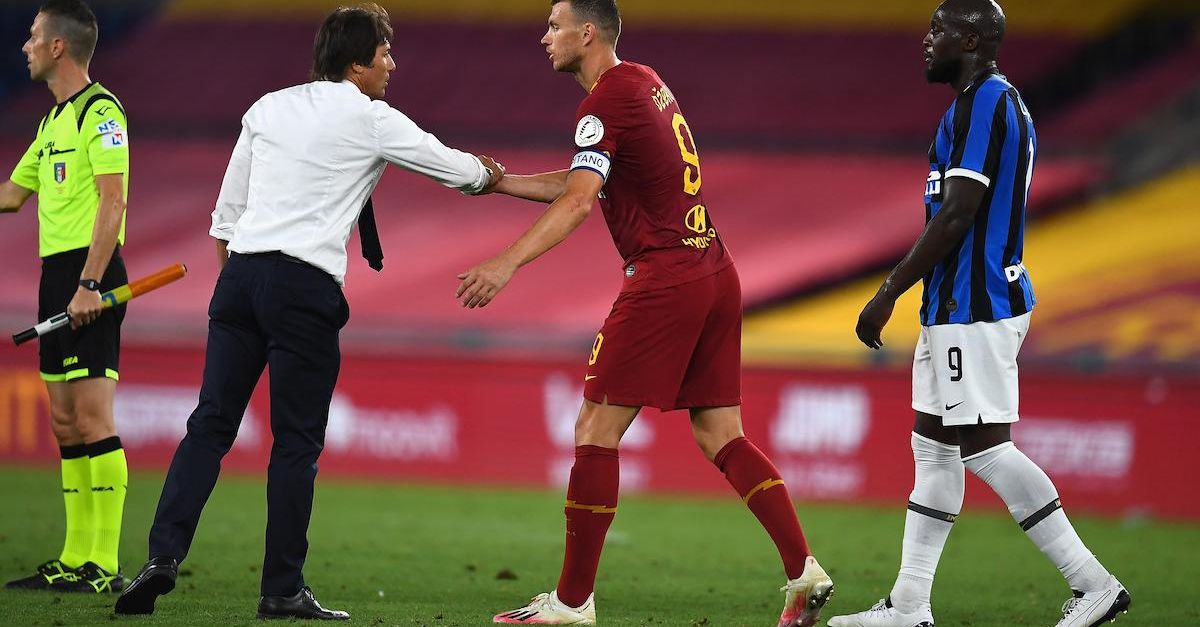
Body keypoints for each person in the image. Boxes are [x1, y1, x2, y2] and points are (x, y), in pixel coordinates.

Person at [112, 3, 502, 620]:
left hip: (240, 278)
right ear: (357, 65)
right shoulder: (372, 118)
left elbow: (225, 216)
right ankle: (281, 589)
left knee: (209, 425)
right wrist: (491, 172)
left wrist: (242, 288)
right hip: (304, 286)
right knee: (295, 444)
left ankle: (161, 557)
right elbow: (457, 171)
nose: (392, 65)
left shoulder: (267, 108)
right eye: (385, 54)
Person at [457, 2, 833, 625]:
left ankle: (571, 604)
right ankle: (803, 569)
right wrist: (501, 182)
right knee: (720, 433)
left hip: (666, 278)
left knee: (594, 429)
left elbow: (580, 202)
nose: (544, 37)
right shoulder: (644, 81)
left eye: (554, 26)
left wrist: (505, 263)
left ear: (587, 33)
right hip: (714, 268)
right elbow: (586, 180)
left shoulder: (603, 102)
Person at [831, 2, 1130, 626]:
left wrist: (888, 290)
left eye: (939, 30)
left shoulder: (988, 102)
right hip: (953, 304)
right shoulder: (975, 105)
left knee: (986, 448)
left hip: (975, 305)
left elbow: (958, 213)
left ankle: (1093, 583)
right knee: (933, 448)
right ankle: (909, 605)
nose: (927, 39)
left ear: (971, 39)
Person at [1, 0, 131, 595]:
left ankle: (103, 564)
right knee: (63, 422)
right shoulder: (51, 122)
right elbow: (12, 194)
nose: (25, 46)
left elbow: (113, 200)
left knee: (92, 417)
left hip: (89, 277)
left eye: (33, 36)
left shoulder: (101, 113)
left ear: (58, 46)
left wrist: (89, 284)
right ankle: (74, 556)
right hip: (55, 277)